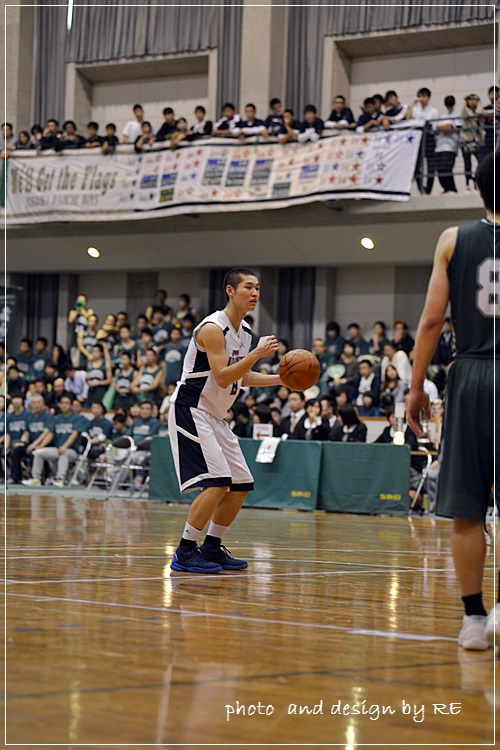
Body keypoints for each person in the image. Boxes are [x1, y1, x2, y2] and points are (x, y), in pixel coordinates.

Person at [407, 152, 499, 651]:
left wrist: (416, 385)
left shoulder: (452, 240)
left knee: (467, 507)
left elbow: (429, 322)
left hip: (470, 373)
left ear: (480, 188)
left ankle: (472, 620)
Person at [168, 267, 280, 573]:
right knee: (217, 483)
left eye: (258, 288)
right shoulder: (212, 328)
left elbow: (241, 377)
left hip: (215, 415)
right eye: (248, 287)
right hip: (191, 408)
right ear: (230, 291)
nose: (255, 293)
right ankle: (185, 551)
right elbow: (221, 375)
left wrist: (281, 378)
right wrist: (256, 354)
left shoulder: (244, 333)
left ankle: (212, 547)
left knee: (241, 483)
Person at [22, 394, 83, 487]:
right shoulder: (56, 418)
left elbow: (74, 434)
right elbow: (50, 434)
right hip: (57, 449)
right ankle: (36, 479)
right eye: (62, 403)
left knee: (64, 453)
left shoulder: (77, 418)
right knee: (38, 453)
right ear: (59, 404)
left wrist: (65, 446)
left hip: (72, 451)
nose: (64, 405)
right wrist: (41, 446)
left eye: (67, 403)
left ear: (71, 405)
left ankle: (60, 479)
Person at [434, 95, 462, 195]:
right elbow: (436, 127)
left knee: (446, 168)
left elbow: (452, 127)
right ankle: (446, 188)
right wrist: (445, 127)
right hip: (439, 146)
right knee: (439, 169)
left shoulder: (458, 114)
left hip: (450, 146)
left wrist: (445, 127)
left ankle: (452, 188)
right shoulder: (442, 117)